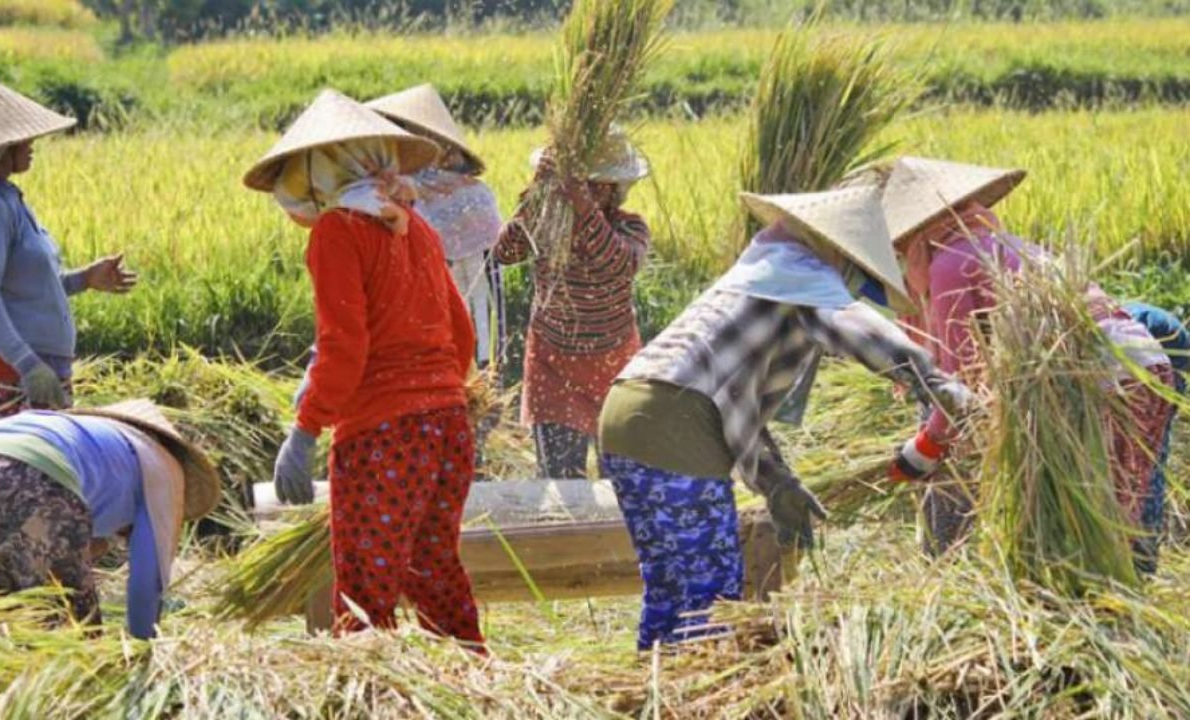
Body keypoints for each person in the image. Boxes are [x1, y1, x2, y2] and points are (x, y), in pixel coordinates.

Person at [598, 186, 971, 650]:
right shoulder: (801, 272)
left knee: (670, 590)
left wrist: (777, 483)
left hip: (624, 414)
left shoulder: (760, 271)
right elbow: (855, 326)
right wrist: (935, 383)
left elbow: (734, 406)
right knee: (709, 596)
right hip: (675, 423)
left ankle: (650, 691)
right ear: (839, 251)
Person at [248, 90, 484, 649]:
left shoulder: (340, 232)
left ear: (320, 171)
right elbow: (462, 334)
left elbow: (343, 347)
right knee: (433, 569)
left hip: (385, 437)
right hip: (449, 429)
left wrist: (305, 431)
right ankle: (475, 676)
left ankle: (366, 697)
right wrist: (439, 394)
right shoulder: (415, 226)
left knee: (363, 590)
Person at [883, 156, 1176, 567]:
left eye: (899, 247)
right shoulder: (1002, 244)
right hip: (1142, 363)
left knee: (1087, 528)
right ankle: (1127, 607)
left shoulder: (949, 264)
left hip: (1100, 379)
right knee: (1117, 516)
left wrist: (922, 451)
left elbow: (956, 387)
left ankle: (1098, 612)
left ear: (914, 234)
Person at [0, 78, 138, 430]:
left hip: (31, 375)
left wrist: (85, 279)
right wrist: (28, 364)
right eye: (22, 138)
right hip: (3, 380)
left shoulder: (5, 198)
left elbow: (26, 289)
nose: (32, 144)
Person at [0, 400, 220, 639]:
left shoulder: (105, 446)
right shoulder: (166, 470)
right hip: (30, 474)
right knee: (79, 633)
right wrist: (142, 650)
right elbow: (149, 576)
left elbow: (78, 538)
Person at [495, 126, 650, 479]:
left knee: (623, 480)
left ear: (615, 191)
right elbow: (505, 252)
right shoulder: (548, 223)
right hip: (554, 366)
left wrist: (580, 204)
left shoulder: (631, 228)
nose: (586, 193)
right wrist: (536, 196)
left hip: (615, 366)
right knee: (562, 480)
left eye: (596, 186)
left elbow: (618, 265)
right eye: (581, 185)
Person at [368, 84, 506, 370]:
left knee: (479, 346)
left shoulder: (472, 195)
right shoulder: (394, 191)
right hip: (423, 327)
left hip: (467, 323)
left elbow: (489, 287)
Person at [1121, 301, 1187, 568]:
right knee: (1150, 460)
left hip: (1141, 369)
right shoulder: (1135, 321)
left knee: (1144, 460)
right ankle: (1141, 557)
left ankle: (1141, 556)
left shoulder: (1158, 327)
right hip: (1134, 366)